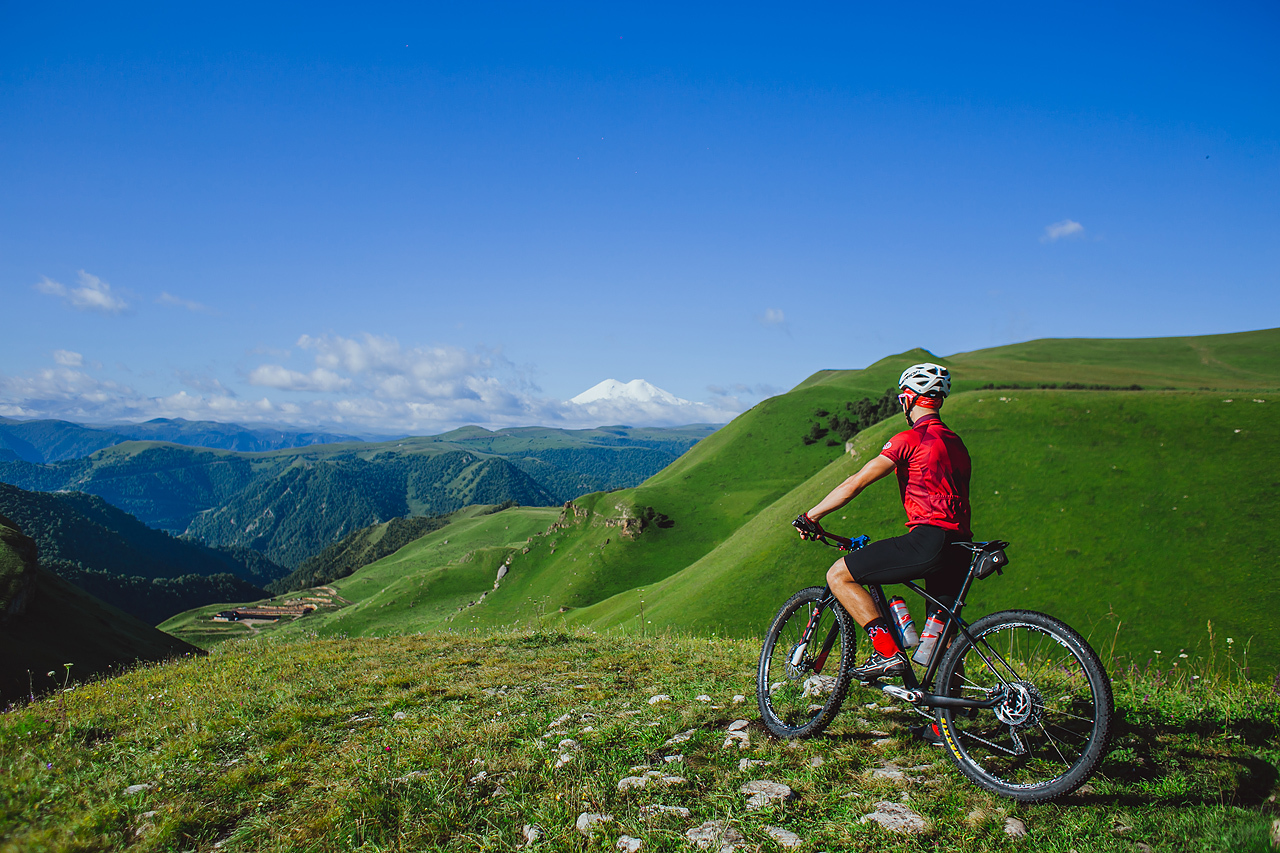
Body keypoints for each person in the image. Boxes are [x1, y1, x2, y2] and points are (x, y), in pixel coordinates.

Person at [794, 362, 972, 686]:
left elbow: (856, 482)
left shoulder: (910, 439)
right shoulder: (957, 443)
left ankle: (887, 653)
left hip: (928, 540)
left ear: (908, 399)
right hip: (961, 547)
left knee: (838, 575)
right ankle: (944, 725)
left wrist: (812, 516)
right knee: (942, 634)